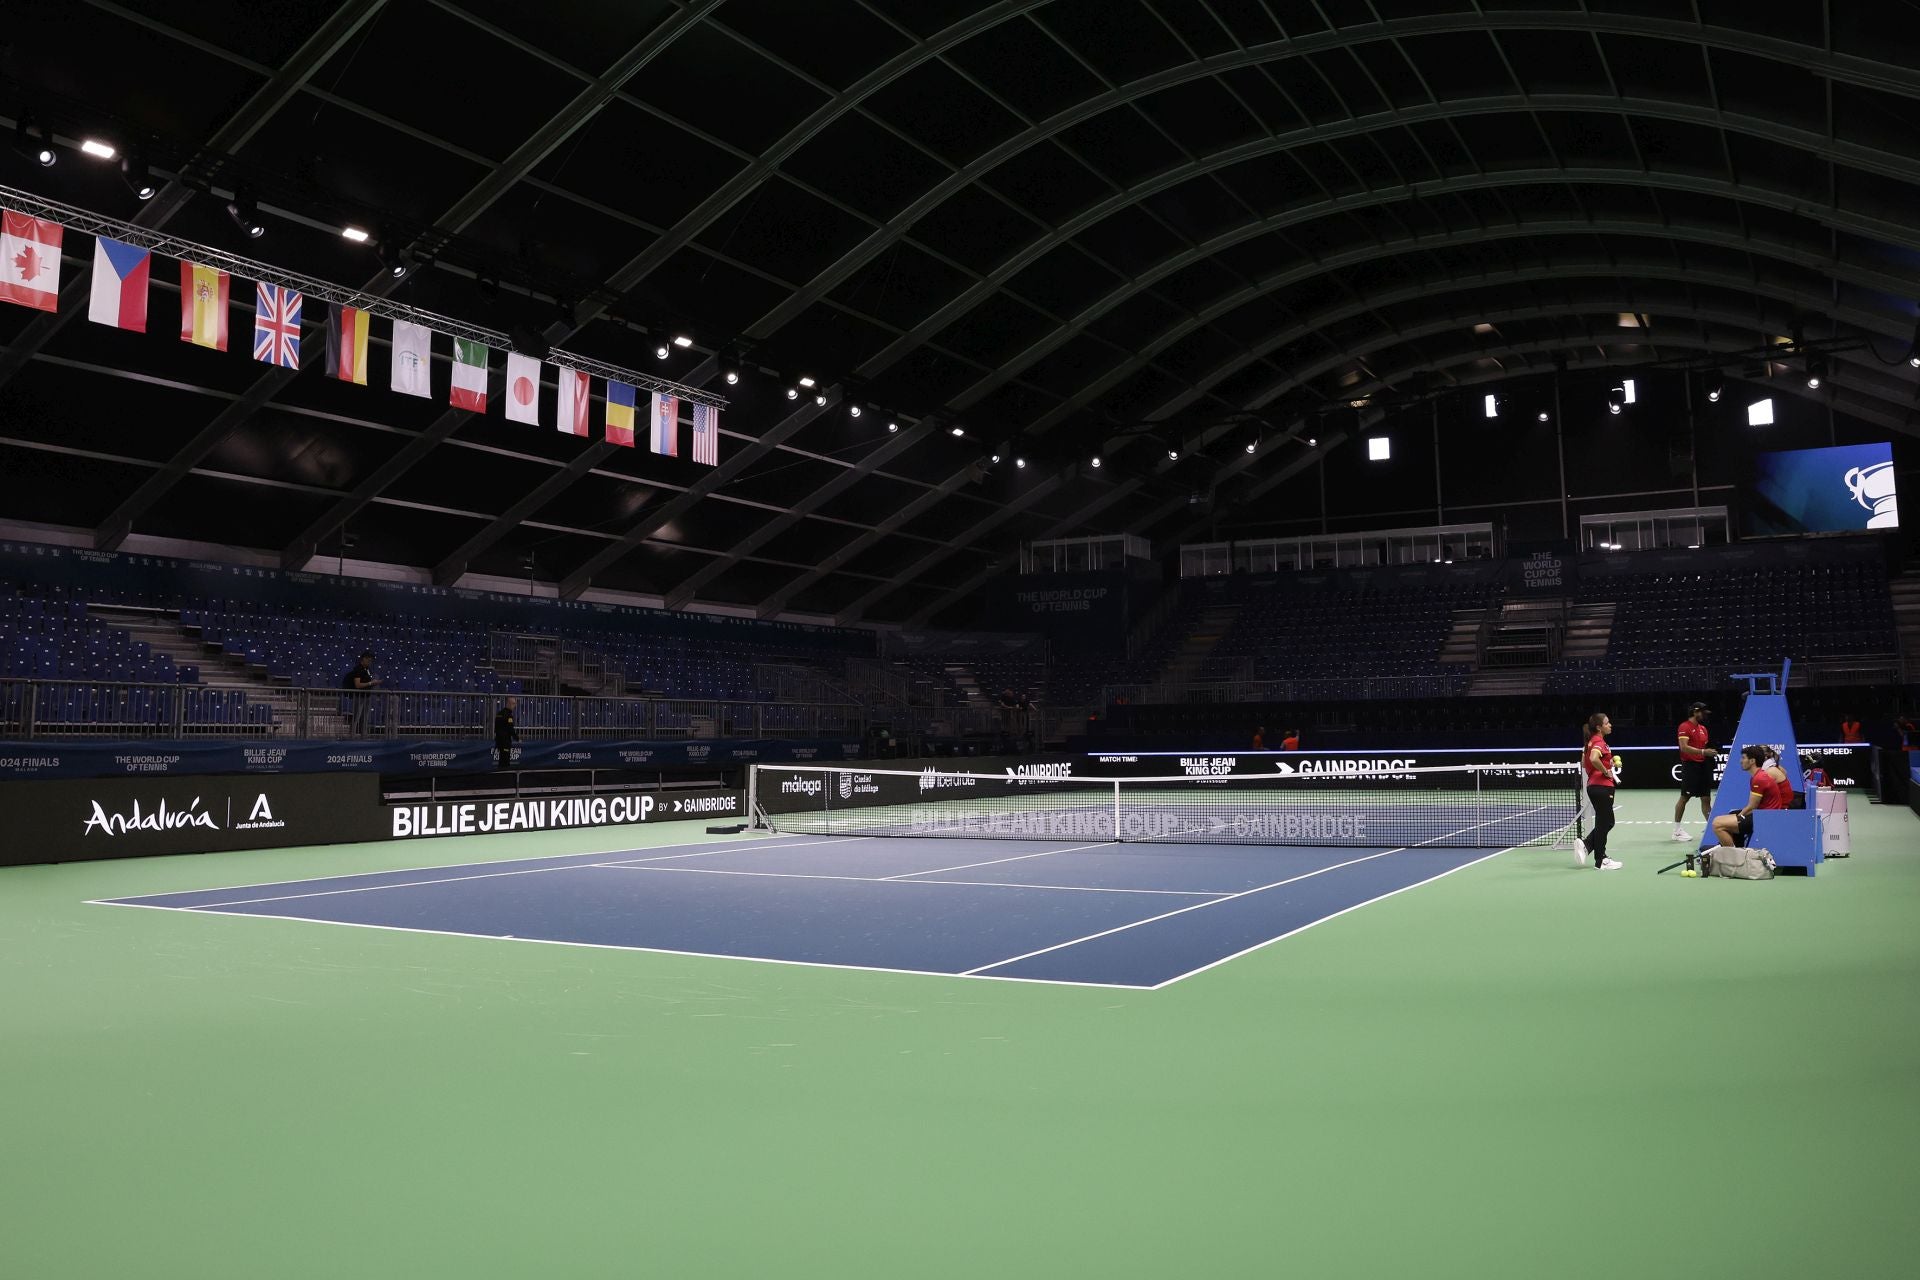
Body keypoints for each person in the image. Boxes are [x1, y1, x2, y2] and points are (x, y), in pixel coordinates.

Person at [1711, 745, 1792, 848]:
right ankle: (1738, 848)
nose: (1741, 761)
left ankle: (1736, 856)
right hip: (1764, 814)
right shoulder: (1759, 775)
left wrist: (1740, 816)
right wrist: (1737, 816)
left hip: (1766, 818)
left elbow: (1752, 807)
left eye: (1743, 758)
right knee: (1731, 814)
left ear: (1752, 761)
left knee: (1717, 823)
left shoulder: (1759, 778)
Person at [1577, 711, 1622, 870]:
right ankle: (1601, 860)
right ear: (1599, 727)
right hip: (1602, 786)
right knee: (1604, 823)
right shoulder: (1598, 742)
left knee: (1608, 822)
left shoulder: (1589, 742)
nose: (1610, 725)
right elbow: (1593, 759)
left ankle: (1587, 845)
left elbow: (1584, 762)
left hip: (1594, 786)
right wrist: (1605, 771)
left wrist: (1609, 763)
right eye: (1607, 723)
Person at [1672, 701, 1716, 842]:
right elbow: (1684, 747)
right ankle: (1677, 831)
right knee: (1684, 798)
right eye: (1702, 712)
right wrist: (1703, 751)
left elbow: (1704, 746)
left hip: (1703, 767)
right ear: (1695, 712)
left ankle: (1712, 828)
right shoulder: (1684, 727)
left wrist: (1709, 753)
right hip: (1690, 766)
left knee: (1706, 798)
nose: (1704, 715)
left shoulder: (1703, 728)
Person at [340, 651, 379, 736]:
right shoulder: (357, 669)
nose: (370, 662)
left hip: (367, 696)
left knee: (365, 717)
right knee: (356, 717)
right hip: (359, 696)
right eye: (368, 660)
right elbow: (357, 685)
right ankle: (352, 735)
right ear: (363, 659)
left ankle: (363, 735)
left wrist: (373, 683)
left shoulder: (368, 669)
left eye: (371, 661)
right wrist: (370, 683)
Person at [494, 696, 519, 770]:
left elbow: (496, 727)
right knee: (505, 760)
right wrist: (517, 738)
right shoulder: (508, 715)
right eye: (513, 704)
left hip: (499, 740)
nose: (514, 706)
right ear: (509, 703)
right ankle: (505, 776)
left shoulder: (499, 713)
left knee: (501, 759)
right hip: (505, 741)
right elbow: (510, 729)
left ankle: (500, 774)